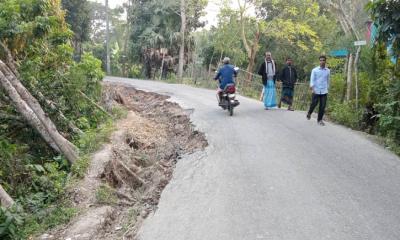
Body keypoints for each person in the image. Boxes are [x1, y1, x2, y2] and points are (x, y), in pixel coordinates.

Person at [306, 55, 330, 126]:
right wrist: (312, 89)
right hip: (316, 90)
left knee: (322, 106)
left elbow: (328, 80)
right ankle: (309, 113)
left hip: (324, 91)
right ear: (319, 61)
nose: (322, 62)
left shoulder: (328, 70)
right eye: (321, 60)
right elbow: (312, 80)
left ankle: (319, 120)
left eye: (323, 60)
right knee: (314, 104)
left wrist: (327, 88)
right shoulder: (315, 70)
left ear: (325, 61)